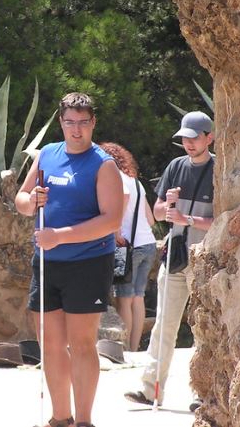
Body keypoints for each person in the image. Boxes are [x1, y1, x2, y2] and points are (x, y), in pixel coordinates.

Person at [15, 92, 124, 427]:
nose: (76, 130)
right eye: (69, 122)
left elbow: (111, 221)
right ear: (61, 122)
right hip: (47, 263)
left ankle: (84, 421)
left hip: (88, 263)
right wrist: (31, 200)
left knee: (81, 344)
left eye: (83, 122)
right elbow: (20, 199)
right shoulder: (47, 154)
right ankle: (60, 417)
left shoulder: (103, 165)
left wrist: (59, 236)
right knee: (49, 344)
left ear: (92, 123)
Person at [124, 111, 214, 412]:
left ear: (209, 138)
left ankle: (205, 393)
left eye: (194, 137)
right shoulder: (175, 167)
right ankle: (151, 390)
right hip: (175, 258)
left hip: (206, 262)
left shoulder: (219, 169)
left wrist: (187, 218)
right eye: (185, 138)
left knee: (206, 328)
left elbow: (223, 221)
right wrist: (169, 204)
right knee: (164, 323)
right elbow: (158, 213)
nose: (188, 143)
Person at [99, 142, 156, 352]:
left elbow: (123, 195)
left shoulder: (118, 178)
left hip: (128, 247)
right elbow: (150, 220)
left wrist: (116, 230)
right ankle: (134, 348)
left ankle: (124, 350)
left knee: (124, 300)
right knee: (137, 298)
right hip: (147, 243)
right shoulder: (136, 182)